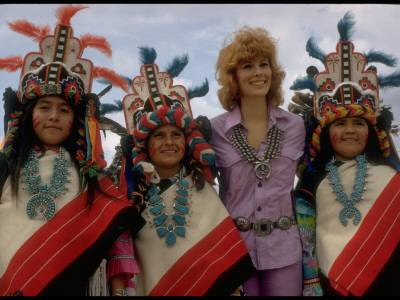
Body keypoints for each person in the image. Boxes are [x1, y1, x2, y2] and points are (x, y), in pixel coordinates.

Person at [0, 4, 138, 296]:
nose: (54, 116)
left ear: (76, 120)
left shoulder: (90, 175)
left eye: (64, 109)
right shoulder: (7, 169)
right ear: (27, 115)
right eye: (45, 107)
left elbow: (116, 231)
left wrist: (119, 291)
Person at [118, 60, 256, 296]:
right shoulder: (132, 196)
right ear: (145, 145)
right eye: (159, 136)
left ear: (188, 142)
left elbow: (224, 257)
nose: (169, 142)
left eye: (176, 134)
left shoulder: (204, 189)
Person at [291, 11, 400, 296]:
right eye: (340, 123)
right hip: (331, 284)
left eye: (358, 123)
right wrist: (311, 281)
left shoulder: (392, 177)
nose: (350, 130)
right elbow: (306, 237)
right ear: (325, 133)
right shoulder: (311, 182)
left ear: (373, 132)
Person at [209, 26, 305, 296]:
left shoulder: (296, 126)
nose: (258, 72)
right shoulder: (213, 130)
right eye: (248, 66)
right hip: (234, 250)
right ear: (233, 78)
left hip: (285, 250)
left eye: (264, 64)